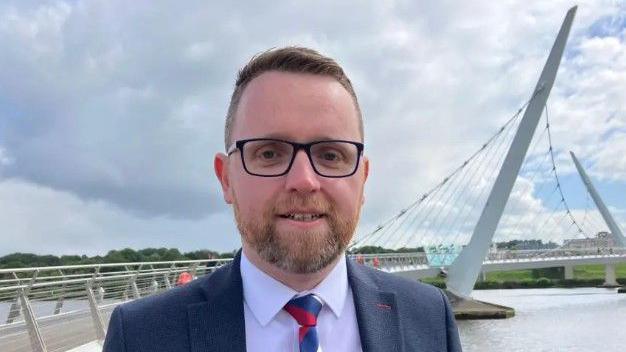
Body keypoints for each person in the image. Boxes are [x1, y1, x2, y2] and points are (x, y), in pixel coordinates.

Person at [103, 47, 462, 352]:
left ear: (363, 179)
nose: (303, 181)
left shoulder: (430, 318)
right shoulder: (139, 336)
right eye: (270, 154)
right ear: (226, 178)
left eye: (331, 155)